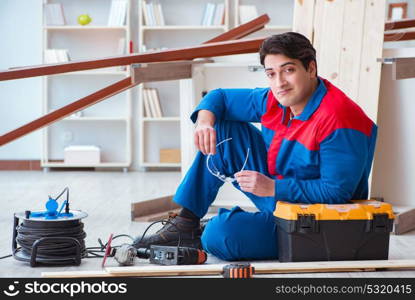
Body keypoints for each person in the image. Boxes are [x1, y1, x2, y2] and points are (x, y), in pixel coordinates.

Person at [133, 32, 377, 261]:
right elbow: (220, 98)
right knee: (222, 131)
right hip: (278, 192)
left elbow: (336, 194)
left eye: (288, 70)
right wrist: (204, 123)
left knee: (220, 236)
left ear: (311, 68)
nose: (279, 82)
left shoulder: (340, 117)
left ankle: (219, 228)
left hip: (318, 219)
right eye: (271, 74)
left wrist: (273, 187)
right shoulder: (274, 99)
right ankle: (186, 224)